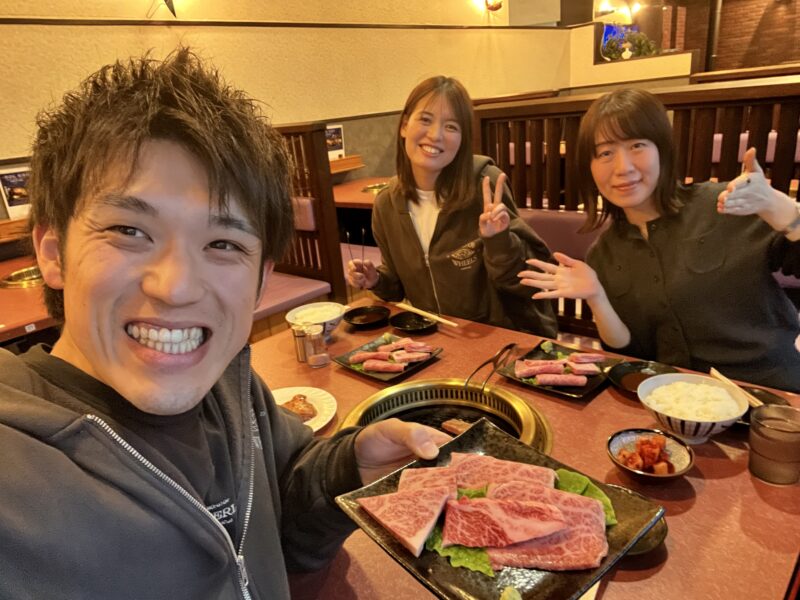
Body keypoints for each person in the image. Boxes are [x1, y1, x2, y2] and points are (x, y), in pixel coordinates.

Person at [0, 48, 451, 599]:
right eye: (129, 231)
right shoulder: (15, 473)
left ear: (261, 278)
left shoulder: (231, 390)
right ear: (52, 252)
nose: (176, 286)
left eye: (223, 243)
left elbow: (279, 515)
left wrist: (348, 466)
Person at [518, 88, 800, 392]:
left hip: (769, 396)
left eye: (637, 145)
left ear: (663, 150)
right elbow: (632, 353)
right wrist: (596, 297)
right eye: (605, 153)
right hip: (677, 400)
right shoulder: (604, 253)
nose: (623, 168)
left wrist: (781, 209)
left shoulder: (725, 204)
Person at [345, 76, 557, 337]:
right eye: (425, 120)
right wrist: (376, 280)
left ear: (463, 139)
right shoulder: (386, 204)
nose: (435, 135)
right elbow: (396, 288)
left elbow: (527, 282)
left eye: (451, 126)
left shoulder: (484, 184)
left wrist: (499, 241)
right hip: (429, 337)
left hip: (494, 336)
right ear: (404, 125)